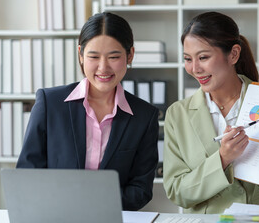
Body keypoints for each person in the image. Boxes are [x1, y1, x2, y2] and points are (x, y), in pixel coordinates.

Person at [163, 11, 259, 214]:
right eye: (187, 59)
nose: (194, 68)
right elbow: (178, 193)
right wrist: (222, 159)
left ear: (234, 54)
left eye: (203, 57)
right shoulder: (178, 115)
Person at [17, 12, 159, 211]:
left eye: (114, 57)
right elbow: (27, 174)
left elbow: (140, 189)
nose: (103, 67)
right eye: (93, 56)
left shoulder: (145, 116)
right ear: (81, 55)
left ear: (130, 55)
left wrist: (93, 204)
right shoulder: (50, 103)